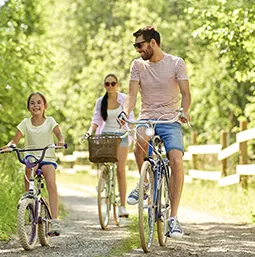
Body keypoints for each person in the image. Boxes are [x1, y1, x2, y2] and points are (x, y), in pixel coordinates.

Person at [122, 26, 191, 238]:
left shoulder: (176, 63)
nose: (137, 50)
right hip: (147, 118)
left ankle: (173, 219)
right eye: (135, 46)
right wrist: (126, 113)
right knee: (139, 142)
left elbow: (186, 93)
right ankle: (143, 183)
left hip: (171, 120)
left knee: (176, 160)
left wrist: (184, 111)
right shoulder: (138, 66)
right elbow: (132, 96)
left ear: (153, 43)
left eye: (139, 45)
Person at [0, 92, 65, 236]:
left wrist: (60, 141)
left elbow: (59, 134)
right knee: (28, 172)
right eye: (32, 103)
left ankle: (54, 219)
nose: (36, 105)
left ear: (45, 106)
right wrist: (10, 146)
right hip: (32, 156)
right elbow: (15, 140)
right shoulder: (25, 123)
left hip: (47, 156)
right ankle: (30, 202)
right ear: (29, 107)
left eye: (39, 102)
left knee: (51, 183)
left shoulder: (50, 121)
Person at [85, 74, 135, 218]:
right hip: (106, 134)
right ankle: (103, 180)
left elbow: (130, 117)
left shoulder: (124, 99)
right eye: (107, 84)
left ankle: (123, 206)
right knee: (104, 163)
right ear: (104, 86)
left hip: (122, 136)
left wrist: (130, 127)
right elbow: (96, 119)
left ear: (117, 85)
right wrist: (90, 132)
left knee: (120, 170)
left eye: (113, 83)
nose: (110, 86)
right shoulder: (101, 102)